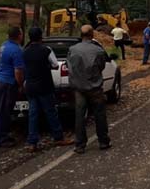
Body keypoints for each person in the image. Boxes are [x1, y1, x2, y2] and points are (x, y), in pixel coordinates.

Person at [23, 27, 73, 152]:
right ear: (41, 37)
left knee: (33, 114)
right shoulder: (47, 50)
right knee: (51, 112)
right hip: (44, 86)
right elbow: (55, 65)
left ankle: (32, 142)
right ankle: (58, 137)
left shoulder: (25, 51)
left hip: (30, 86)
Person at [67, 25, 111, 154]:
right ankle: (103, 141)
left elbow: (69, 66)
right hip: (95, 87)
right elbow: (101, 66)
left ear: (81, 35)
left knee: (80, 116)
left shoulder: (72, 50)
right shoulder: (98, 51)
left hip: (79, 88)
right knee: (100, 114)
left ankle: (80, 144)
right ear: (92, 35)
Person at [0, 27, 24, 148]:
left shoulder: (4, 46)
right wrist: (21, 85)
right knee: (4, 112)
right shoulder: (16, 50)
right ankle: (1, 138)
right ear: (19, 36)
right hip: (7, 83)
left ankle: (1, 134)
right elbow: (18, 71)